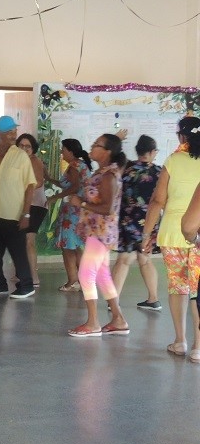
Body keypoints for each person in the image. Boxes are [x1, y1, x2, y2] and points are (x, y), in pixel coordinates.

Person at [141, 117, 200, 360]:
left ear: (181, 137)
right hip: (198, 235)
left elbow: (157, 200)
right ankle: (199, 347)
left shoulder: (173, 161)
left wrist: (146, 235)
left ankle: (180, 341)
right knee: (198, 289)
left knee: (178, 287)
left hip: (173, 234)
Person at [66, 134, 129, 337]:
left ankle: (93, 322)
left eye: (97, 145)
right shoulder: (102, 171)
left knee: (85, 274)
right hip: (97, 231)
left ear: (107, 152)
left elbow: (108, 207)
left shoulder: (109, 175)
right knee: (102, 275)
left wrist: (80, 203)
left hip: (100, 232)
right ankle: (118, 319)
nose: (92, 146)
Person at [0, 116, 37, 299]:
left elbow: (30, 186)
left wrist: (26, 213)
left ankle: (26, 286)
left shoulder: (21, 156)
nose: (14, 135)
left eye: (14, 131)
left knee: (18, 252)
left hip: (14, 213)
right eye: (10, 131)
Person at [111, 135, 161, 311]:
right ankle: (153, 298)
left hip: (127, 220)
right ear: (152, 152)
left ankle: (114, 300)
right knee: (145, 259)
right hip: (149, 223)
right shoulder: (158, 172)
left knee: (123, 259)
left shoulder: (127, 169)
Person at [46, 138, 91, 292]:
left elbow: (75, 186)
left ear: (71, 152)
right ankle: (82, 280)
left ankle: (73, 280)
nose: (61, 152)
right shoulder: (80, 165)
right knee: (76, 246)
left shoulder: (74, 166)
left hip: (72, 212)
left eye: (63, 149)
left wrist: (54, 197)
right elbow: (67, 184)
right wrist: (48, 178)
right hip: (79, 211)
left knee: (68, 247)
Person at [16, 134, 47, 286]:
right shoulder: (19, 161)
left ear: (33, 148)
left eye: (27, 146)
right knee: (22, 240)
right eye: (21, 145)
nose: (24, 148)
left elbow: (39, 182)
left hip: (35, 205)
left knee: (29, 240)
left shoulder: (34, 161)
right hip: (25, 204)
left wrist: (20, 189)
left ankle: (34, 276)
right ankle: (23, 272)